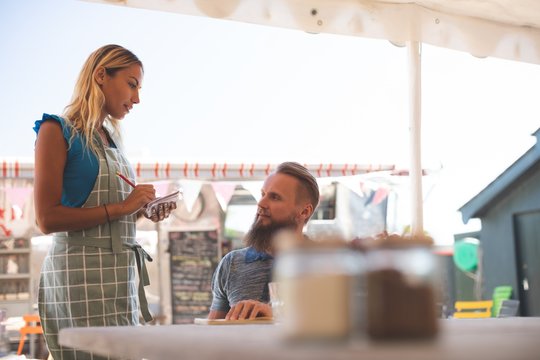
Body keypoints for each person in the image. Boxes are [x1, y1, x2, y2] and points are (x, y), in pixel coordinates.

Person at [33, 44, 176, 360]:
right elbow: (46, 219)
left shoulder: (112, 139)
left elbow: (107, 216)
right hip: (78, 277)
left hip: (120, 276)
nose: (137, 98)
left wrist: (141, 212)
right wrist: (124, 207)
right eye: (132, 84)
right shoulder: (56, 130)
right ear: (100, 75)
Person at [208, 162, 319, 320]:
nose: (261, 203)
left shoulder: (328, 266)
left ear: (304, 211)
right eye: (263, 194)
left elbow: (340, 329)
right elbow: (213, 332)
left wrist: (276, 315)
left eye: (275, 197)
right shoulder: (231, 263)